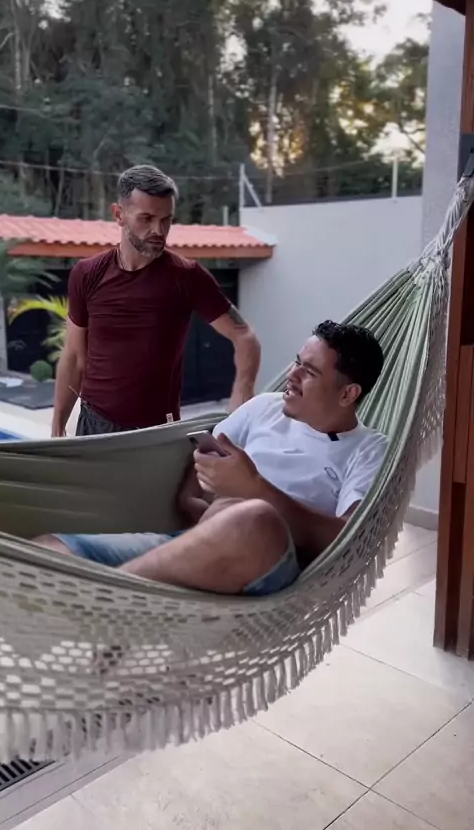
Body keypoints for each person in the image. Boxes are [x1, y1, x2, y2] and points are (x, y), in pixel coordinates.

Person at [35, 321, 388, 597]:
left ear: (348, 393)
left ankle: (111, 597)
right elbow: (205, 458)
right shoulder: (264, 408)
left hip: (273, 565)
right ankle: (124, 603)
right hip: (199, 541)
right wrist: (198, 504)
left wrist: (255, 490)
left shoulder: (368, 450)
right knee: (49, 550)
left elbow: (352, 538)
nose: (291, 374)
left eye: (309, 371)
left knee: (255, 519)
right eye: (297, 361)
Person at [52, 164, 261, 437]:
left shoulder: (187, 276)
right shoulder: (87, 273)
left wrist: (242, 391)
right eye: (147, 218)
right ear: (119, 214)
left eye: (166, 220)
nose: (158, 230)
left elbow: (245, 337)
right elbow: (74, 357)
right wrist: (58, 424)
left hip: (158, 430)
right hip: (95, 425)